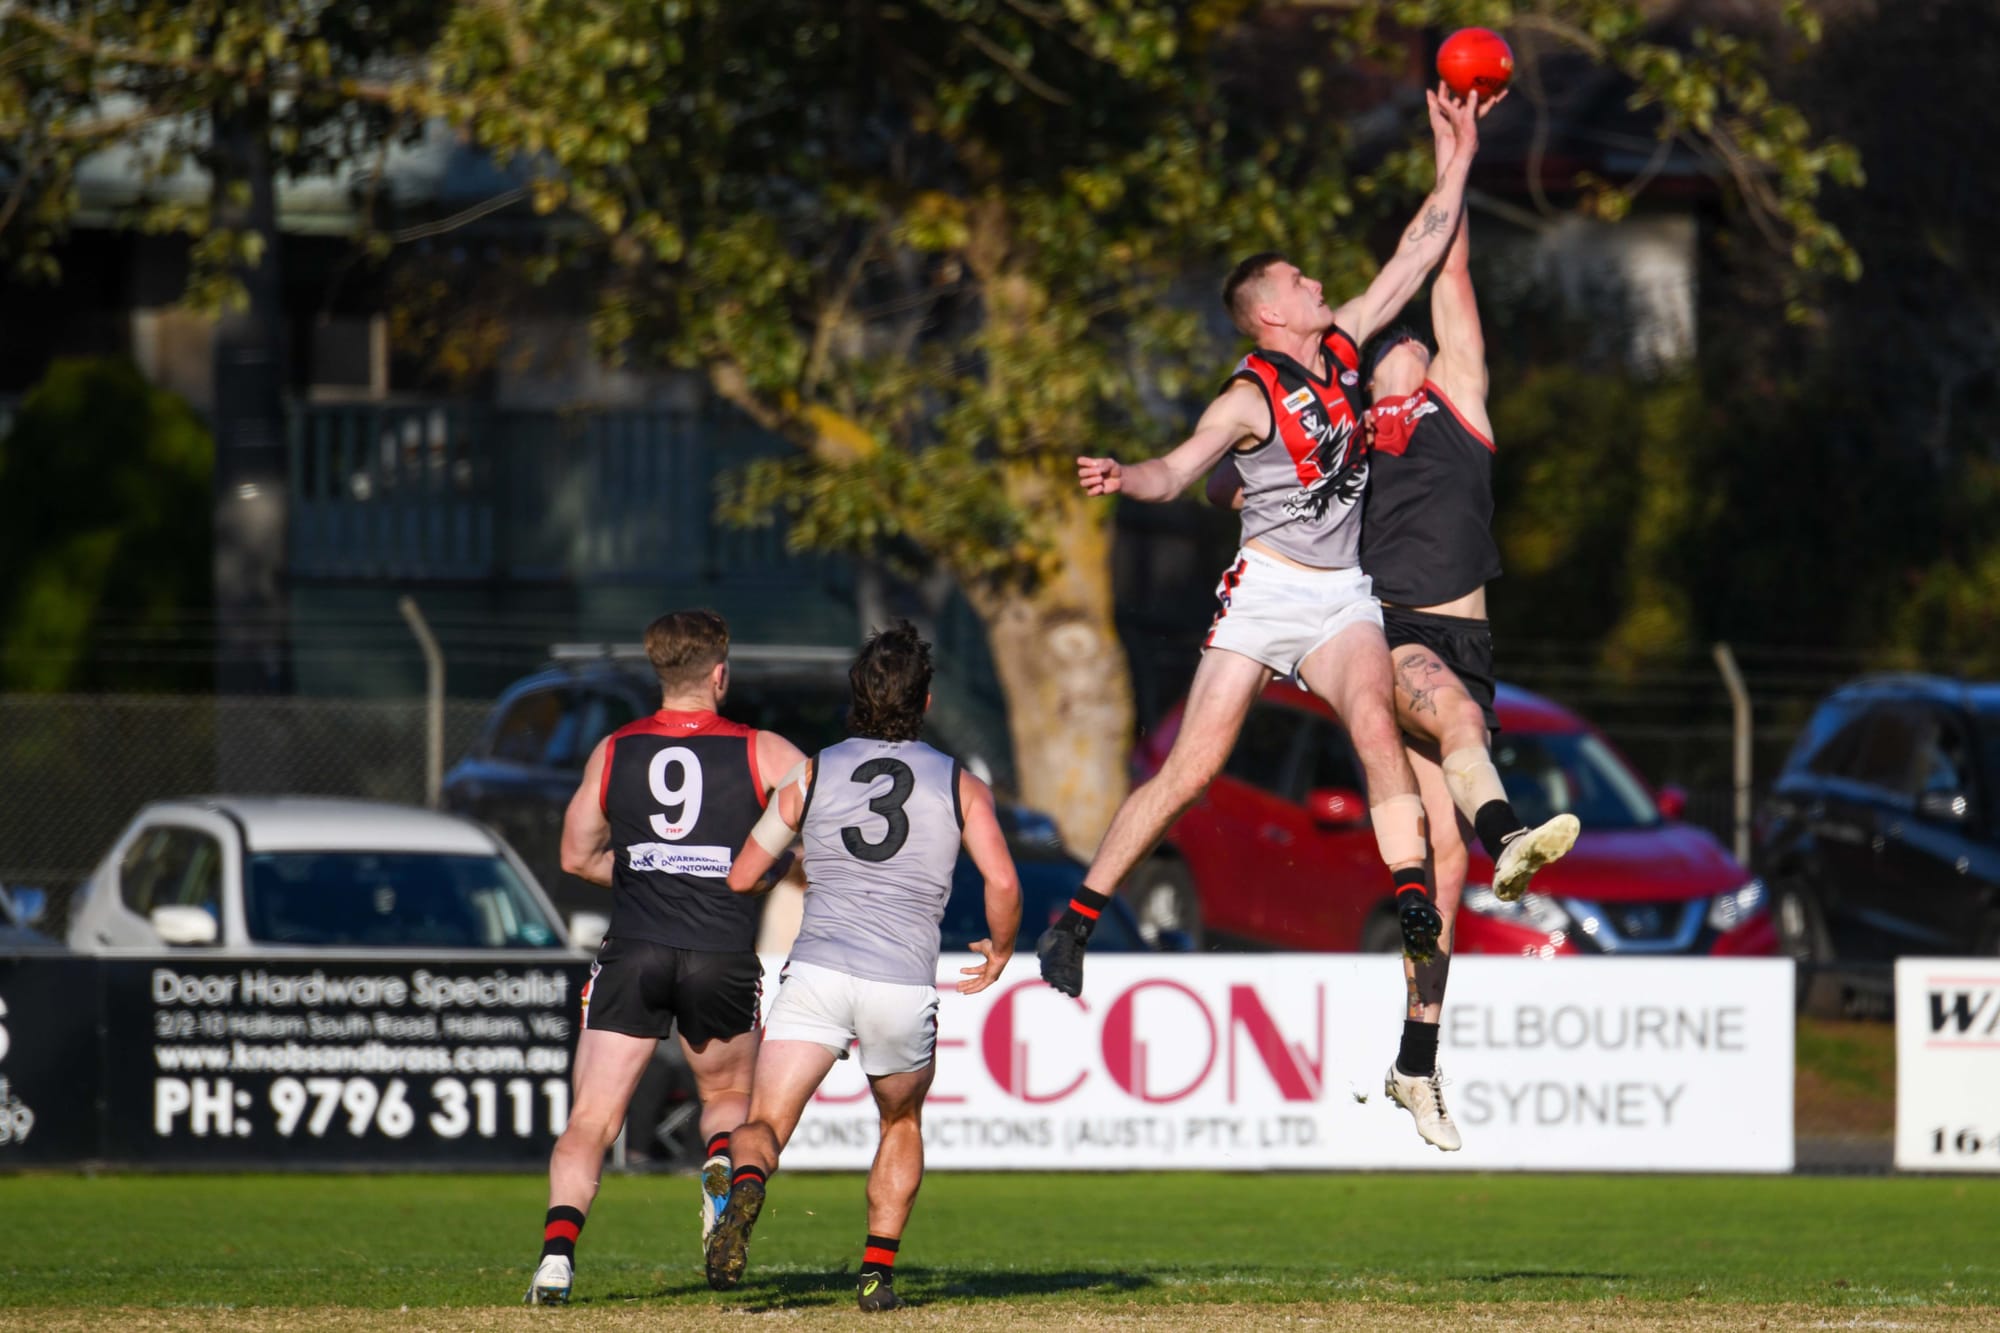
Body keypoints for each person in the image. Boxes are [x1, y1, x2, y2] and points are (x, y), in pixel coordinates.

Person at [1037, 86, 1488, 1002]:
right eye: (1298, 282)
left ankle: (1409, 898)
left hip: (1340, 596)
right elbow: (1178, 468)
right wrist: (1130, 476)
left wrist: (1461, 150)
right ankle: (1076, 916)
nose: (1317, 284)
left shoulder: (1350, 345)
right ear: (1269, 314)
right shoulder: (1248, 396)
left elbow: (1420, 248)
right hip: (1267, 592)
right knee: (1193, 770)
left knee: (1374, 726)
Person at [1208, 206, 1578, 1152]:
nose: (1394, 350)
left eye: (1402, 344)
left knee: (1438, 865)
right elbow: (1248, 467)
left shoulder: (1460, 397)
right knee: (1455, 720)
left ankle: (1417, 1058)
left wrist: (1458, 146)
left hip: (1469, 640)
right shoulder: (1353, 431)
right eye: (1383, 350)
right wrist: (1231, 483)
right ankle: (1516, 835)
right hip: (1388, 632)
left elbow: (1446, 277)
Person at [709, 622, 1021, 1311]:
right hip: (900, 980)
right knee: (900, 1122)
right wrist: (1000, 948)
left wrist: (801, 858)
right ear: (928, 700)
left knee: (764, 1120)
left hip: (817, 970)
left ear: (856, 694)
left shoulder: (811, 771)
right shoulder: (960, 782)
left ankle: (750, 1180)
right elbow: (1002, 882)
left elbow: (742, 874)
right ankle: (877, 1272)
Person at [526, 610, 806, 1306]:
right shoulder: (759, 748)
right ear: (719, 673)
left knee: (591, 1120)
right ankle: (716, 1179)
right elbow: (822, 811)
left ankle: (557, 1258)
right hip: (721, 950)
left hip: (635, 948)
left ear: (661, 674)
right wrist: (759, 866)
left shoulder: (615, 749)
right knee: (727, 1100)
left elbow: (574, 854)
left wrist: (653, 866)